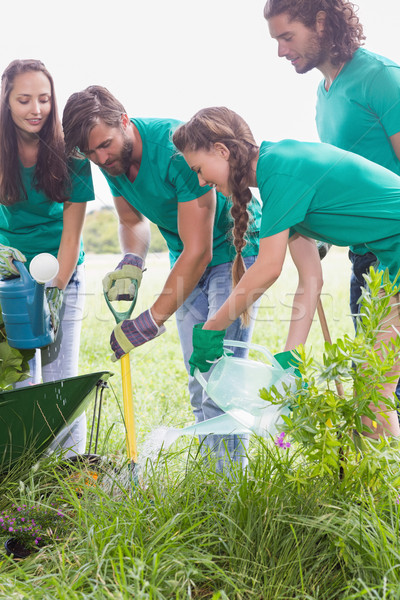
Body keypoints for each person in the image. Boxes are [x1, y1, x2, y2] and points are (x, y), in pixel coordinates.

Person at [62, 86, 261, 472]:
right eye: (91, 154)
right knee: (198, 376)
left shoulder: (173, 151)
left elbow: (200, 250)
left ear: (124, 121)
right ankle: (213, 477)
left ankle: (231, 485)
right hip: (186, 259)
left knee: (220, 376)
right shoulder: (110, 163)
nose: (101, 158)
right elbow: (131, 220)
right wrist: (132, 260)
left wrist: (150, 321)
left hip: (234, 252)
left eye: (105, 145)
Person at [173, 106, 400, 440]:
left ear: (222, 151)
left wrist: (211, 329)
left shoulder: (280, 170)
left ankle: (383, 490)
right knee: (371, 384)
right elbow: (311, 277)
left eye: (199, 168)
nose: (201, 180)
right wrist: (290, 359)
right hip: (391, 265)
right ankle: (379, 489)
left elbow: (267, 268)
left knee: (373, 388)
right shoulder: (276, 180)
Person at [264, 0, 400, 325]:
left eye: (287, 37)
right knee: (372, 373)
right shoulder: (324, 93)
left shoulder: (379, 78)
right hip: (363, 256)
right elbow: (347, 180)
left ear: (321, 23)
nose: (281, 51)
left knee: (382, 372)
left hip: (393, 248)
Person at [0, 59, 94, 456]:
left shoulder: (70, 152)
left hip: (62, 274)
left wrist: (53, 294)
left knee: (60, 381)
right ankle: (22, 471)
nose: (36, 109)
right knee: (18, 380)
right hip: (10, 278)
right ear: (6, 101)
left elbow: (71, 236)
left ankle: (70, 474)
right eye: (24, 99)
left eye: (43, 98)